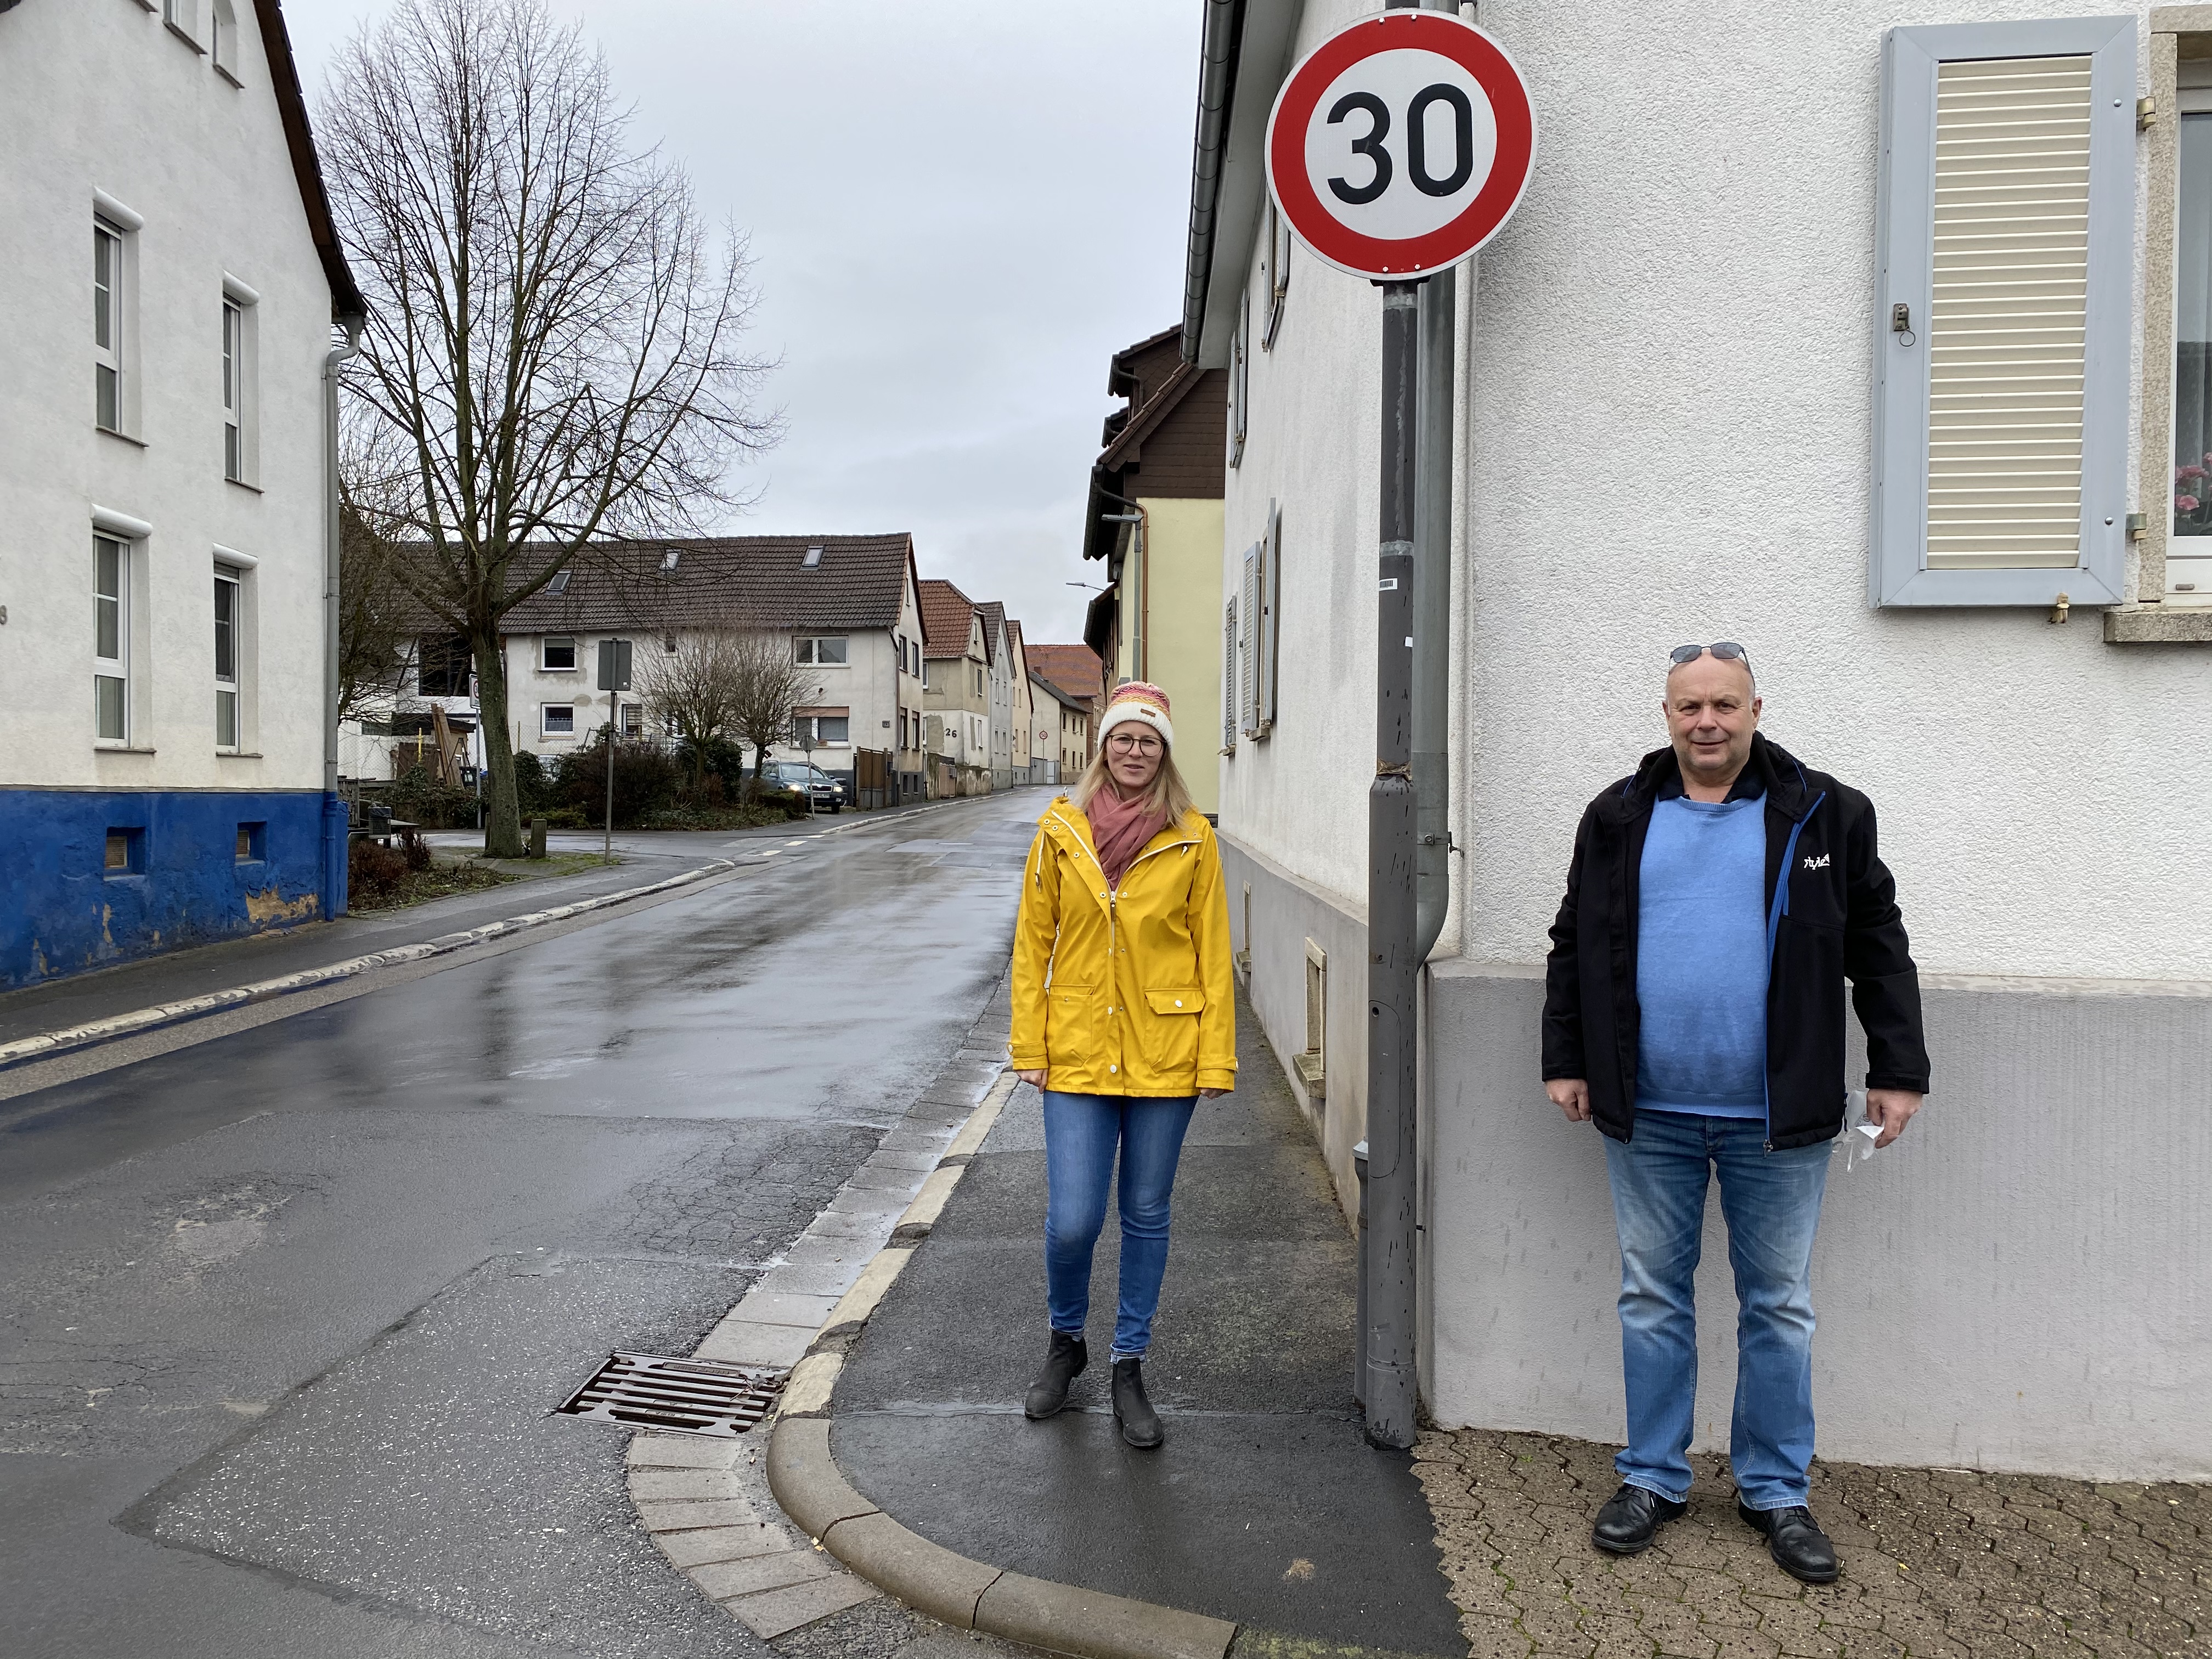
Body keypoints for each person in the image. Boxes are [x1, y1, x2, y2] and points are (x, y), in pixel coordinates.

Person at [1541, 643, 1929, 1584]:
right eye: (1688, 707)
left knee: (1780, 1306)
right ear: (1665, 714)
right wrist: (1567, 1059)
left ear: (1757, 707)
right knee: (1651, 1297)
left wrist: (1898, 1066)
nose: (1705, 722)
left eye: (1723, 704)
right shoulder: (1617, 815)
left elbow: (1878, 941)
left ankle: (1774, 1490)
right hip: (1649, 1112)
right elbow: (1570, 939)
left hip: (1776, 1114)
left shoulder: (1824, 812)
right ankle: (1653, 1477)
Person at [1008, 682, 1235, 1448]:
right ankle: (1063, 1343)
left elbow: (1211, 956)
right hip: (1075, 1051)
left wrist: (1216, 1058)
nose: (1134, 751)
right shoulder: (1058, 832)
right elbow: (1030, 945)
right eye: (1122, 738)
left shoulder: (1193, 836)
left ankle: (1128, 1363)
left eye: (1149, 741)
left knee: (1145, 1215)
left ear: (1164, 752)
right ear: (1102, 747)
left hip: (1166, 1055)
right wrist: (1029, 1047)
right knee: (1074, 1219)